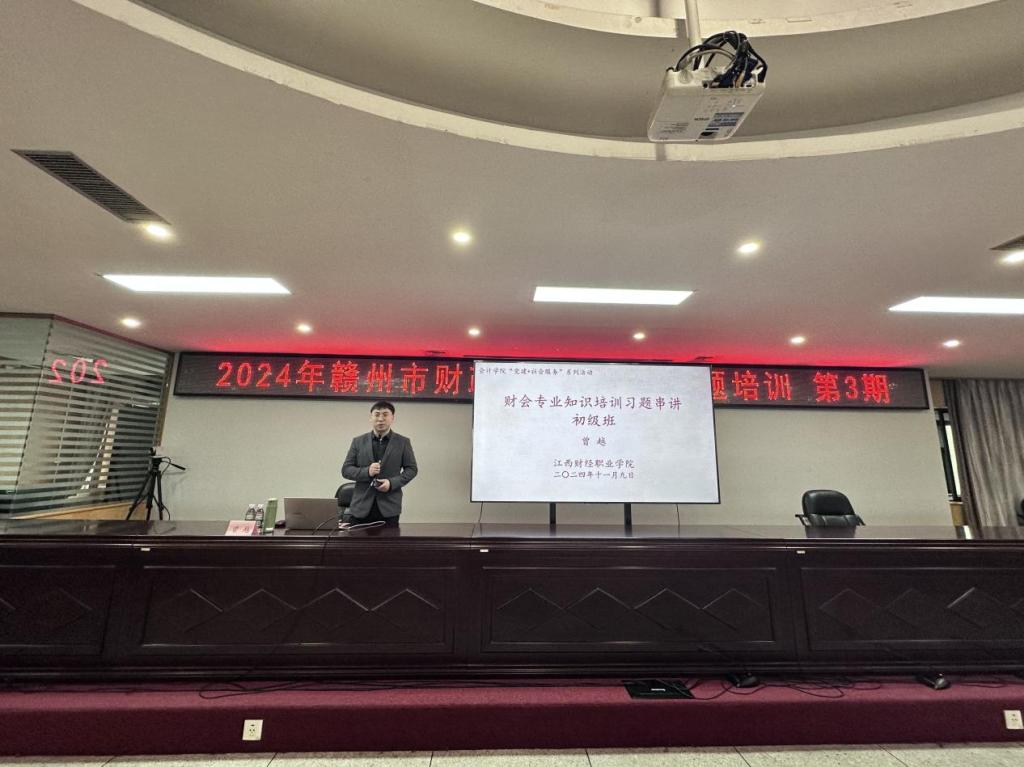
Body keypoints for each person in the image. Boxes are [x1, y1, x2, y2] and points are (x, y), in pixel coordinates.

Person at [341, 400, 418, 526]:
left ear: (392, 418)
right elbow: (346, 470)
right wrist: (367, 471)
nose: (381, 419)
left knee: (389, 540)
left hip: (389, 508)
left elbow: (412, 469)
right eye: (377, 414)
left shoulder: (403, 442)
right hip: (360, 507)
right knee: (355, 539)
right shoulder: (358, 441)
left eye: (385, 414)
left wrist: (391, 483)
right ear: (370, 418)